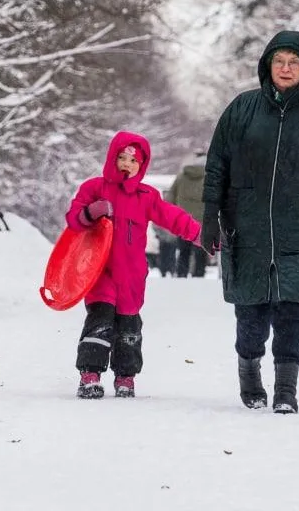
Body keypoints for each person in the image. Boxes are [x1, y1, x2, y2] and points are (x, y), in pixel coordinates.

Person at [200, 30, 299, 414]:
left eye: (294, 62)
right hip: (246, 228)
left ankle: (286, 388)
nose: (286, 68)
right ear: (268, 65)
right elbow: (217, 166)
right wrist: (209, 216)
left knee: (293, 311)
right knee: (251, 312)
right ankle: (249, 372)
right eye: (279, 61)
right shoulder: (241, 109)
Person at [66, 130, 203, 399]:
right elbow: (73, 219)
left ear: (141, 166)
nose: (127, 164)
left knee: (129, 327)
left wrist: (201, 235)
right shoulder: (94, 188)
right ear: (112, 158)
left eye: (134, 161)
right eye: (122, 157)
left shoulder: (146, 195)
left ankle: (125, 376)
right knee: (100, 321)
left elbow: (172, 217)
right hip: (100, 271)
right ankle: (90, 374)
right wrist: (91, 212)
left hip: (131, 276)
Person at [167, 150, 209, 278]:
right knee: (201, 253)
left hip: (183, 220)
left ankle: (181, 275)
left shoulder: (181, 177)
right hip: (202, 221)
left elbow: (170, 197)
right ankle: (199, 276)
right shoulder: (209, 177)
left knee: (184, 251)